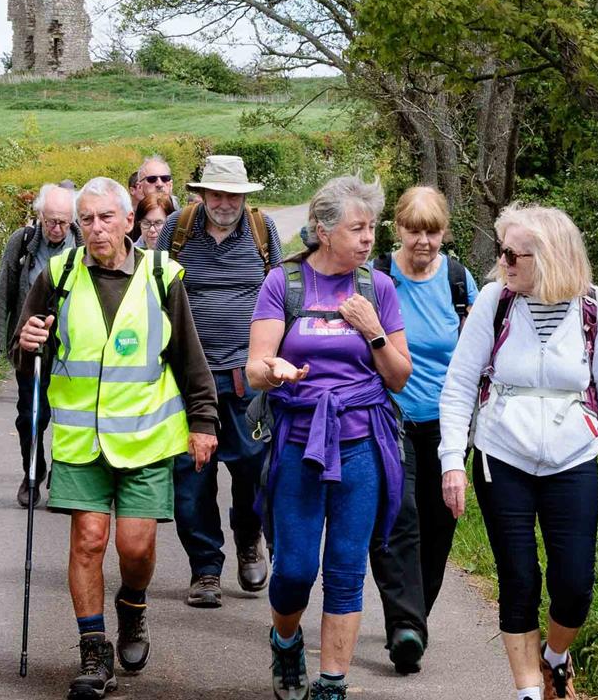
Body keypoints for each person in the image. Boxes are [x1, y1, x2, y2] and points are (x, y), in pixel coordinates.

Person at [13, 176, 219, 700]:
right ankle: (93, 649)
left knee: (135, 545)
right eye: (87, 219)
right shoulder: (56, 276)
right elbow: (29, 361)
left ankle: (132, 605)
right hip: (82, 443)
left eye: (106, 217)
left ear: (130, 221)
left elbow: (189, 359)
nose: (96, 228)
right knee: (88, 540)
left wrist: (203, 423)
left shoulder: (161, 276)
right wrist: (28, 344)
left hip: (146, 439)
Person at [438, 204, 598, 700]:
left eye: (513, 254)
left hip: (573, 458)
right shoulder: (494, 301)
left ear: (548, 258)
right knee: (519, 578)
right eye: (502, 251)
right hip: (500, 456)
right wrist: (451, 462)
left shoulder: (595, 305)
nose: (502, 262)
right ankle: (530, 692)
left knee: (574, 585)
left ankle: (554, 659)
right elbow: (459, 385)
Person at [246, 176, 412, 700]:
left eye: (372, 228)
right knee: (294, 569)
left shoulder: (376, 288)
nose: (368, 238)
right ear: (321, 230)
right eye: (357, 228)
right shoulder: (284, 282)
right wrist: (276, 371)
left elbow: (399, 374)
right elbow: (254, 368)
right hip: (298, 440)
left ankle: (333, 683)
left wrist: (373, 331)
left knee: (346, 568)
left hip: (362, 442)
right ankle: (286, 639)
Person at [156, 154, 283, 608]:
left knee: (254, 470)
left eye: (233, 195)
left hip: (246, 380)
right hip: (189, 380)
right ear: (202, 194)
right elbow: (156, 289)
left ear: (244, 197)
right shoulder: (178, 228)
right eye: (217, 194)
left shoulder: (263, 230)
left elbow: (282, 296)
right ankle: (205, 569)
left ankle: (249, 537)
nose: (225, 202)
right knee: (191, 479)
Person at [366, 186, 478, 674]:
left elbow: (480, 350)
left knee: (439, 523)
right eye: (415, 231)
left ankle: (415, 619)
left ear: (444, 232)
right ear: (399, 229)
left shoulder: (458, 281)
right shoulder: (378, 278)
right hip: (389, 414)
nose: (424, 242)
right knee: (399, 512)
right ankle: (404, 625)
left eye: (433, 232)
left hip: (449, 421)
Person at [0, 182, 82, 509]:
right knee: (30, 414)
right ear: (39, 215)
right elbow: (3, 293)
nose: (56, 228)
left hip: (73, 349)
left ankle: (63, 474)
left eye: (63, 222)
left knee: (68, 415)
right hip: (29, 344)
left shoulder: (84, 245)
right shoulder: (21, 243)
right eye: (50, 220)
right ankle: (32, 472)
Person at [128, 154, 179, 240]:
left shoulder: (186, 219)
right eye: (151, 179)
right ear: (140, 186)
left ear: (171, 184)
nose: (159, 184)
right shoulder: (130, 223)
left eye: (165, 178)